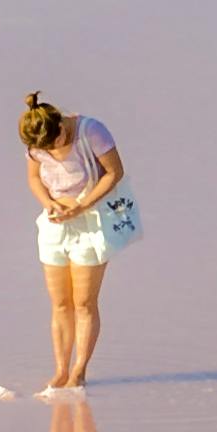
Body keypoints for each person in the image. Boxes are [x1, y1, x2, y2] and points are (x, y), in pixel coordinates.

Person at [19, 90, 137, 394]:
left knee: (83, 303)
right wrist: (48, 202)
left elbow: (114, 172)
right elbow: (34, 179)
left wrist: (82, 206)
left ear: (61, 125)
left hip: (91, 223)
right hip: (55, 225)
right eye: (43, 150)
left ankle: (79, 371)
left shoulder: (91, 131)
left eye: (55, 143)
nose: (51, 151)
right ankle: (60, 370)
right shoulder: (36, 142)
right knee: (60, 303)